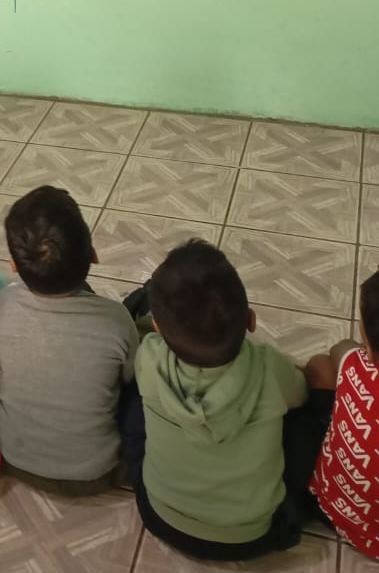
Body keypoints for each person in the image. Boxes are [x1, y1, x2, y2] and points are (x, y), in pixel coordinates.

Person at [126, 239, 308, 560]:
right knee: (304, 418)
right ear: (251, 320)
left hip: (159, 516)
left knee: (134, 407)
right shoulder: (270, 367)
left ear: (157, 327)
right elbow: (300, 394)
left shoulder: (149, 358)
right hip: (252, 536)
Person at [0, 186, 138, 493]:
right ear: (93, 254)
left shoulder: (2, 306)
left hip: (15, 460)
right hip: (98, 473)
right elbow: (130, 377)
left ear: (13, 265)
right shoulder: (116, 320)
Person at [305, 270, 379, 556]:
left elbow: (340, 348)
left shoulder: (355, 364)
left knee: (320, 365)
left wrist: (361, 351)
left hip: (327, 505)